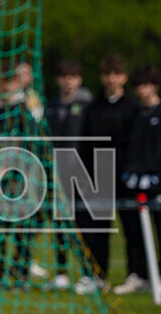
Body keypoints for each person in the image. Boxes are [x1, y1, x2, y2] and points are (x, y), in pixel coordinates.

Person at [78, 54, 139, 293]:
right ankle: (98, 275)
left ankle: (137, 274)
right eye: (107, 74)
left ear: (123, 77)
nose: (112, 79)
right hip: (99, 176)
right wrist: (84, 174)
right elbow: (85, 142)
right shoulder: (93, 107)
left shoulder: (133, 108)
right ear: (102, 77)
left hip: (126, 177)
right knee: (97, 230)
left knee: (132, 228)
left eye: (116, 74)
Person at [44, 59, 93, 290]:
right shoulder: (51, 105)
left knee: (85, 222)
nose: (68, 80)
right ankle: (62, 272)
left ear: (79, 79)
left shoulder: (87, 104)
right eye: (64, 76)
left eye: (72, 76)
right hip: (57, 172)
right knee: (61, 224)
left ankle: (88, 273)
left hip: (82, 173)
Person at [114, 64, 161, 294]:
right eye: (139, 86)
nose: (143, 90)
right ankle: (138, 274)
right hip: (134, 184)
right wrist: (128, 173)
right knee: (133, 232)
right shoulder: (134, 115)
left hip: (157, 184)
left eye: (147, 85)